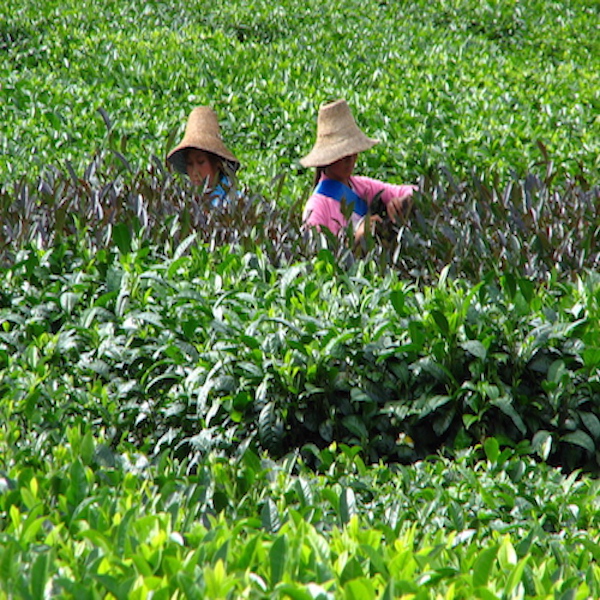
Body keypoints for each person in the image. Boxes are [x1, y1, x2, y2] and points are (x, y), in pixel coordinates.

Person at [300, 99, 416, 241]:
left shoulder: (363, 187)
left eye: (352, 150)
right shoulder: (317, 207)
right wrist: (355, 239)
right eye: (342, 153)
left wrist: (401, 202)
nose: (350, 159)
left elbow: (414, 191)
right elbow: (314, 253)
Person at [167, 106, 239, 206]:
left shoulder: (234, 201)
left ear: (217, 164)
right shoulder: (188, 203)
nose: (195, 172)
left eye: (201, 162)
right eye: (190, 164)